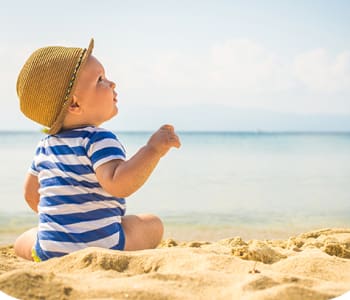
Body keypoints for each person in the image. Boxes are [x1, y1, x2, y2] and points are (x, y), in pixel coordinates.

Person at [14, 38, 181, 262]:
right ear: (74, 105)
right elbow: (119, 183)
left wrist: (65, 221)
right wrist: (153, 150)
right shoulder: (98, 138)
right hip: (104, 246)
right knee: (152, 224)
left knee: (23, 241)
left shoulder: (45, 145)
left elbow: (30, 194)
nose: (112, 84)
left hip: (51, 249)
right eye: (100, 80)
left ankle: (48, 247)